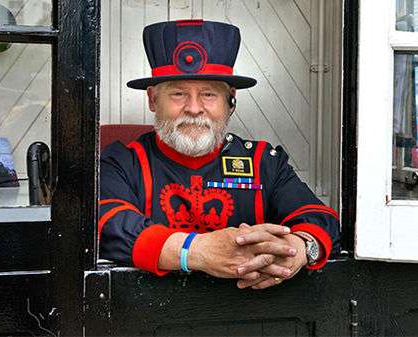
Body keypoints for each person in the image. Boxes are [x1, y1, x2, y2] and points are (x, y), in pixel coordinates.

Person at [99, 19, 340, 290]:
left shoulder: (264, 162)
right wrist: (197, 251)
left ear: (231, 100)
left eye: (208, 94)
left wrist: (299, 248)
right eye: (178, 93)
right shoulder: (121, 161)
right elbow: (107, 226)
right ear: (153, 99)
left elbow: (320, 216)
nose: (193, 108)